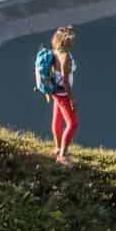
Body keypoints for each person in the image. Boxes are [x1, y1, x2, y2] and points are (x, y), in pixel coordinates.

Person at [37, 25, 79, 164]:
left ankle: (57, 147)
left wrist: (48, 92)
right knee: (72, 124)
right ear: (64, 42)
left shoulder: (54, 52)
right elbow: (66, 81)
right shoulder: (65, 57)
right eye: (70, 39)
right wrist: (72, 99)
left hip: (55, 90)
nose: (73, 41)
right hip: (63, 93)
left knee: (57, 120)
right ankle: (63, 155)